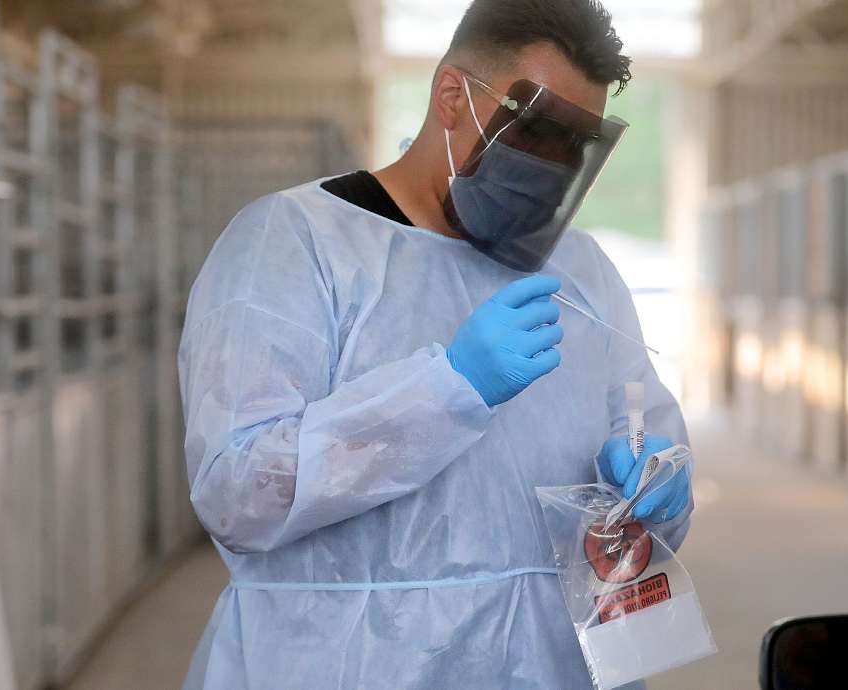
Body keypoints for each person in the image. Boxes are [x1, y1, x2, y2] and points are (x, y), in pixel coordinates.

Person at [178, 1, 692, 688]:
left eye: (577, 143)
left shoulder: (582, 272)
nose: (555, 164)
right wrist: (447, 390)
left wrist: (658, 490)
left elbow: (643, 440)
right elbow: (238, 492)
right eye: (537, 130)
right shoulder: (295, 245)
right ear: (453, 95)